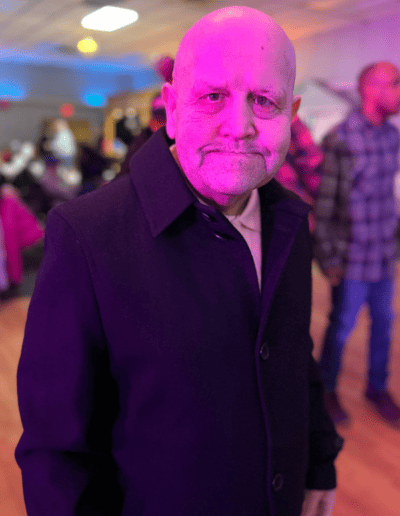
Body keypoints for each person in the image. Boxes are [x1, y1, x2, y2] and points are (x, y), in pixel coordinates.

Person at [15, 7, 342, 516]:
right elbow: (57, 449)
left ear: (291, 113)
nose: (240, 127)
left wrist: (319, 460)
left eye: (264, 101)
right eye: (213, 97)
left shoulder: (290, 223)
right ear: (171, 107)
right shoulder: (87, 236)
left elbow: (293, 356)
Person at [314, 62, 400, 426]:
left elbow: (386, 193)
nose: (399, 91)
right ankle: (326, 391)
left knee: (384, 324)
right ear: (370, 89)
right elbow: (325, 204)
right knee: (341, 327)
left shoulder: (392, 137)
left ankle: (377, 388)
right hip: (351, 257)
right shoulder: (341, 139)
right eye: (395, 83)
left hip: (384, 254)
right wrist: (328, 258)